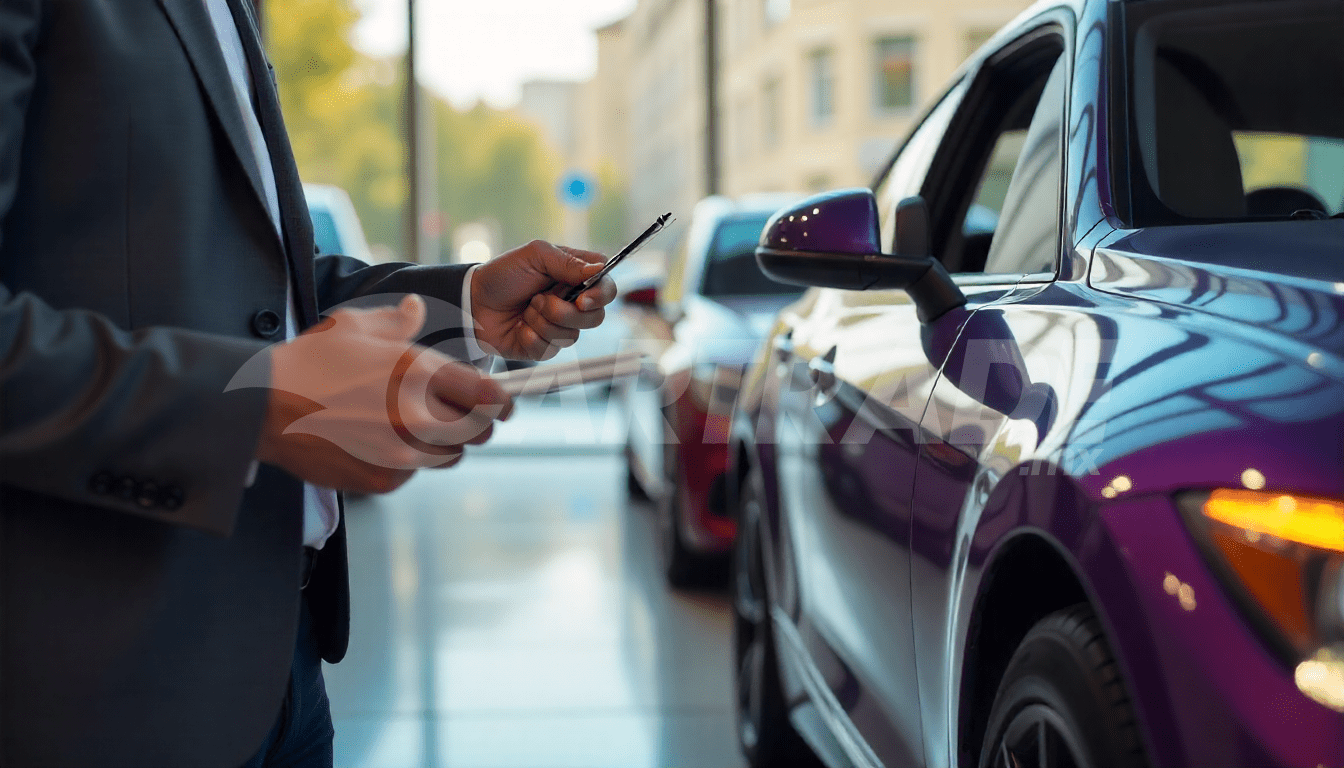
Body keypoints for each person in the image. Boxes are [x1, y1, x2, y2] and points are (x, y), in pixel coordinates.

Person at [0, 0, 616, 765]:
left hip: (280, 666)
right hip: (95, 685)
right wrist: (251, 405)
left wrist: (462, 306)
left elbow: (258, 295)